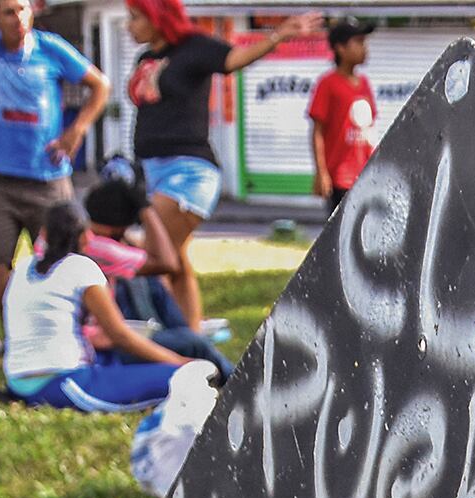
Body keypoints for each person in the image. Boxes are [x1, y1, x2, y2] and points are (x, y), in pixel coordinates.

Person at [121, 0, 321, 329]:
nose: (129, 26)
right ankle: (191, 330)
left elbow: (233, 59)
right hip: (152, 169)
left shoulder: (194, 47)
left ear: (157, 17)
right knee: (177, 261)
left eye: (135, 17)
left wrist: (279, 36)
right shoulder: (146, 58)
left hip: (188, 171)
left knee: (154, 253)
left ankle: (154, 329)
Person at [0, 0, 104, 303]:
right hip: (3, 181)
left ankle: (67, 326)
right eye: (9, 12)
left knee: (64, 259)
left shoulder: (50, 48)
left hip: (48, 177)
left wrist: (76, 129)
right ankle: (14, 332)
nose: (18, 18)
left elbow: (100, 85)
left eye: (23, 9)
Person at [2, 197, 194, 410]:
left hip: (17, 383)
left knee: (117, 361)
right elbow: (121, 335)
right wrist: (179, 361)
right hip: (61, 384)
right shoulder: (81, 268)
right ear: (86, 238)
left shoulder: (23, 267)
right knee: (187, 377)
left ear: (43, 234)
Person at [80, 173, 230, 371]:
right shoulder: (102, 250)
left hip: (104, 338)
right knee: (194, 343)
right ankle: (235, 378)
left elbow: (148, 255)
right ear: (121, 226)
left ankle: (185, 337)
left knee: (148, 281)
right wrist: (146, 209)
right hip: (103, 348)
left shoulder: (88, 240)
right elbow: (168, 263)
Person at [305, 18, 374, 210]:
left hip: (366, 174)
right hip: (340, 178)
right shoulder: (328, 84)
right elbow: (317, 132)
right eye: (358, 42)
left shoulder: (365, 84)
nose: (364, 48)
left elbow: (369, 129)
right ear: (340, 49)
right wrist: (321, 173)